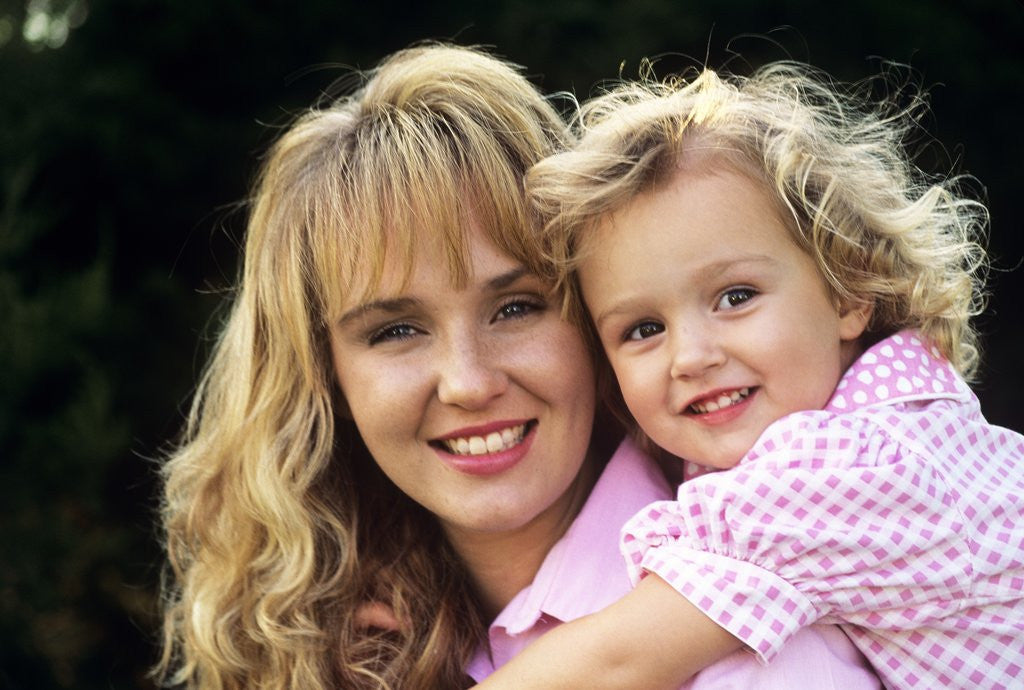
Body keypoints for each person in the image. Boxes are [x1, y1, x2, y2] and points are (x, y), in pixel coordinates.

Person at [156, 45, 882, 689]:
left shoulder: (751, 622)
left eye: (516, 308)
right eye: (397, 330)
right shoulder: (326, 635)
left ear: (598, 319)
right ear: (326, 377)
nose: (469, 382)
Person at [475, 63, 1024, 689]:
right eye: (643, 330)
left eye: (735, 296)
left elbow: (619, 659)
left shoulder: (854, 469)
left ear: (848, 291)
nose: (691, 356)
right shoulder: (902, 415)